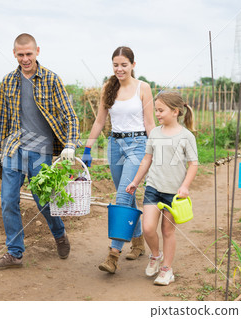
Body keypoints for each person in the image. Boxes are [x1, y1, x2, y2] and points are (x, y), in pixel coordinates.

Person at [0, 33, 80, 270]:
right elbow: (2, 118)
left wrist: (70, 145)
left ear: (37, 51)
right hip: (14, 148)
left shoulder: (51, 79)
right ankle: (15, 254)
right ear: (14, 54)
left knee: (44, 202)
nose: (25, 59)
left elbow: (69, 115)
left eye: (29, 53)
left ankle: (59, 233)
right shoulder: (8, 81)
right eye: (20, 54)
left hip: (41, 150)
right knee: (8, 201)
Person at [82, 46, 155, 274]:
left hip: (137, 144)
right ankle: (139, 241)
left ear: (133, 65)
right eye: (115, 65)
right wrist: (88, 148)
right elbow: (99, 121)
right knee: (128, 195)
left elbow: (150, 123)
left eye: (124, 64)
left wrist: (157, 149)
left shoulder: (143, 88)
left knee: (123, 195)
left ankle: (113, 255)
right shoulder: (108, 87)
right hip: (115, 146)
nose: (119, 69)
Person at [126, 90, 198, 285]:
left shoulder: (186, 136)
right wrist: (135, 181)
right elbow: (147, 159)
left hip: (174, 194)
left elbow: (193, 164)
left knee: (167, 231)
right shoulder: (155, 133)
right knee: (148, 228)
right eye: (156, 110)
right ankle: (155, 256)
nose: (157, 114)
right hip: (153, 188)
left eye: (161, 110)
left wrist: (185, 186)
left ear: (175, 111)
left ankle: (167, 269)